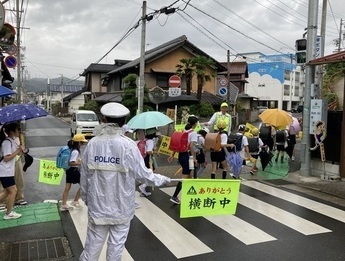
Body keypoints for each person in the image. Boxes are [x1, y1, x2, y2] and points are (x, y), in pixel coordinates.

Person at [79, 102, 170, 261]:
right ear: (124, 121)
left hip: (98, 208)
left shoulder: (93, 144)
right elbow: (144, 175)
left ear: (104, 119)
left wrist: (88, 200)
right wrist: (162, 179)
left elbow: (84, 176)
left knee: (91, 250)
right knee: (115, 250)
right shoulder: (128, 145)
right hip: (121, 209)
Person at [168, 115, 198, 204]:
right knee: (184, 177)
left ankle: (190, 194)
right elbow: (191, 146)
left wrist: (172, 155)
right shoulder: (193, 133)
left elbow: (178, 144)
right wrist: (194, 158)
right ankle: (174, 196)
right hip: (188, 156)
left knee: (189, 175)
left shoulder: (184, 130)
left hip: (181, 155)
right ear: (195, 124)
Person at [0, 123, 24, 219]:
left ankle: (9, 211)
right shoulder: (7, 142)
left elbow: (16, 153)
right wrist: (17, 152)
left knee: (7, 192)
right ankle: (8, 213)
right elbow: (6, 158)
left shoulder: (12, 141)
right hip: (4, 171)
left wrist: (20, 150)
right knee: (13, 191)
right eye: (17, 130)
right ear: (12, 132)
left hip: (8, 171)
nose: (19, 131)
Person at [60, 134, 88, 211]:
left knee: (67, 188)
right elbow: (71, 163)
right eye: (82, 143)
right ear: (78, 143)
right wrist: (81, 163)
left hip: (69, 170)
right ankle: (75, 201)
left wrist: (78, 160)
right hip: (74, 171)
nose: (82, 144)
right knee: (83, 185)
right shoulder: (75, 151)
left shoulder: (71, 149)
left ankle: (64, 204)